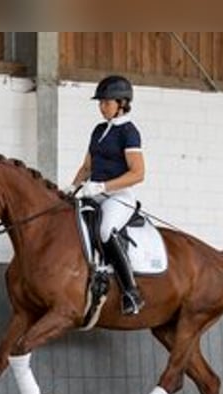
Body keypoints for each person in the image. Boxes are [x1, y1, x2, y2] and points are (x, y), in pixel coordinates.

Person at [66, 75, 145, 315]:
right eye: (100, 103)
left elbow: (138, 173)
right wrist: (73, 187)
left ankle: (131, 291)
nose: (102, 107)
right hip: (92, 192)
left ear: (122, 103)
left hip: (119, 196)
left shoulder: (129, 133)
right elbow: (87, 167)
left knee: (104, 229)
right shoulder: (99, 130)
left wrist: (102, 187)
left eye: (106, 102)